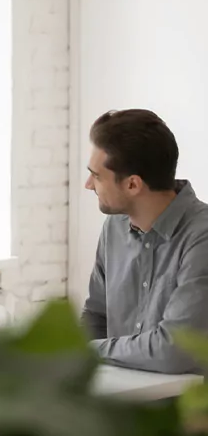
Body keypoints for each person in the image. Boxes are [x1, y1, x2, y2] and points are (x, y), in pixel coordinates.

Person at [81, 109, 208, 374]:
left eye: (96, 175)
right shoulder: (114, 227)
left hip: (186, 410)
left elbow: (173, 351)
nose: (88, 184)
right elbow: (96, 316)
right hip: (124, 400)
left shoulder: (201, 236)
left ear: (133, 185)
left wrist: (92, 350)